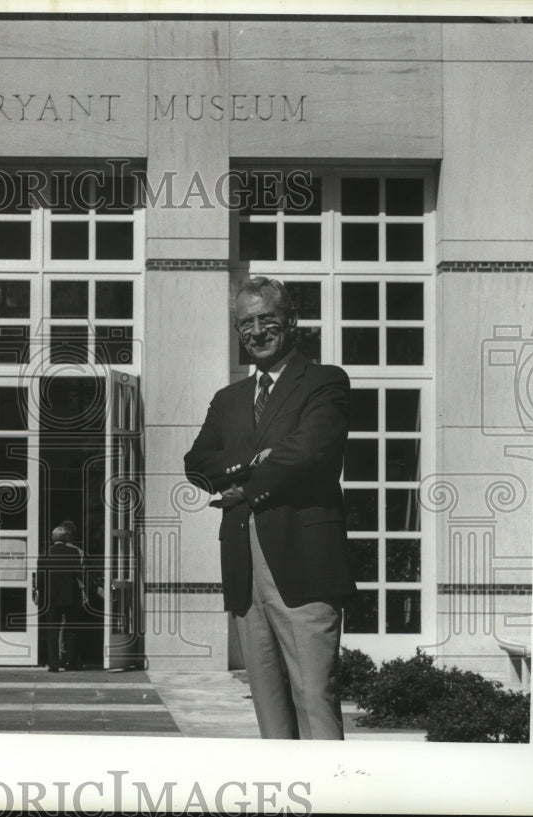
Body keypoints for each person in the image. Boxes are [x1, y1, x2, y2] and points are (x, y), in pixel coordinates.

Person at [184, 276, 355, 740]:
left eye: (265, 319)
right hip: (245, 570)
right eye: (245, 324)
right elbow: (197, 465)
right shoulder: (229, 399)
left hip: (304, 561)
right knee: (269, 711)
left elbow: (309, 454)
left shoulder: (325, 382)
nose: (255, 331)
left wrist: (240, 484)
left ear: (290, 320)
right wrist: (252, 462)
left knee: (313, 697)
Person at [33, 525, 86, 671]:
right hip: (70, 597)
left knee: (52, 631)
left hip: (51, 599)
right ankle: (71, 662)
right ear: (66, 538)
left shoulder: (44, 554)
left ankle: (53, 664)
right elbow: (78, 574)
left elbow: (40, 580)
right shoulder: (74, 552)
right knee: (71, 630)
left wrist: (39, 596)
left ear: (52, 538)